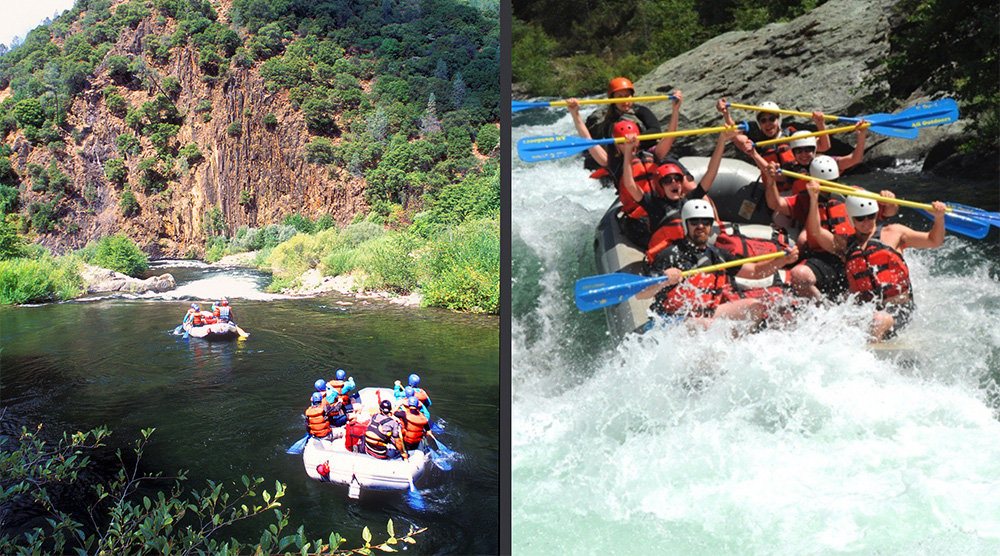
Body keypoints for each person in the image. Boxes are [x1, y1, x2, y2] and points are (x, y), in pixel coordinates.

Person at [804, 180, 946, 342]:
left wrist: (939, 219)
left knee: (878, 320)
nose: (866, 222)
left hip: (898, 309)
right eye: (860, 218)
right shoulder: (845, 245)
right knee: (827, 325)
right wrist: (813, 198)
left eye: (870, 216)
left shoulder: (894, 233)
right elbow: (816, 231)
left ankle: (871, 357)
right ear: (851, 220)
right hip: (865, 309)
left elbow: (934, 241)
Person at [638, 199, 799, 329]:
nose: (701, 226)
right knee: (706, 325)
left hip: (708, 313)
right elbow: (641, 294)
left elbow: (755, 272)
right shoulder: (670, 255)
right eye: (695, 222)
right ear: (686, 225)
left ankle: (733, 353)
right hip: (672, 319)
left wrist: (782, 261)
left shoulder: (718, 254)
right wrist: (664, 280)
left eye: (706, 222)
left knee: (755, 307)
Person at [761, 156, 897, 301]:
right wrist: (770, 181)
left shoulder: (853, 194)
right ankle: (824, 310)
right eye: (825, 183)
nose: (829, 186)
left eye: (833, 182)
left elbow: (889, 212)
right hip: (821, 257)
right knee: (799, 274)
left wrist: (890, 201)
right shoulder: (805, 199)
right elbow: (776, 204)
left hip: (851, 253)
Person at [619, 128, 738, 262]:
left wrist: (722, 140)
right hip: (666, 260)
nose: (674, 182)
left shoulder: (688, 201)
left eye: (677, 179)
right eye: (668, 180)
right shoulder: (652, 204)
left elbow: (711, 172)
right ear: (661, 186)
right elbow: (630, 184)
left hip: (690, 256)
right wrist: (628, 151)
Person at [582, 76, 663, 168]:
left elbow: (656, 130)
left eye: (627, 96)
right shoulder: (610, 121)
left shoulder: (641, 111)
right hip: (625, 157)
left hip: (646, 150)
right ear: (613, 99)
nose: (624, 101)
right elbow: (611, 146)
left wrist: (636, 139)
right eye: (620, 96)